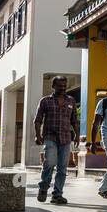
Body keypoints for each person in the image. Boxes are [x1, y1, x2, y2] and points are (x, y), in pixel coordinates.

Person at [34, 76, 77, 204]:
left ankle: (57, 195)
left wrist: (77, 135)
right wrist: (38, 135)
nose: (62, 88)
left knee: (62, 168)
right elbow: (38, 120)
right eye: (59, 86)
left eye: (64, 86)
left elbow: (74, 120)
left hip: (66, 138)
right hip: (50, 137)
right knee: (50, 163)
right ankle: (43, 188)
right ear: (53, 86)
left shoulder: (71, 101)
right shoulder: (45, 101)